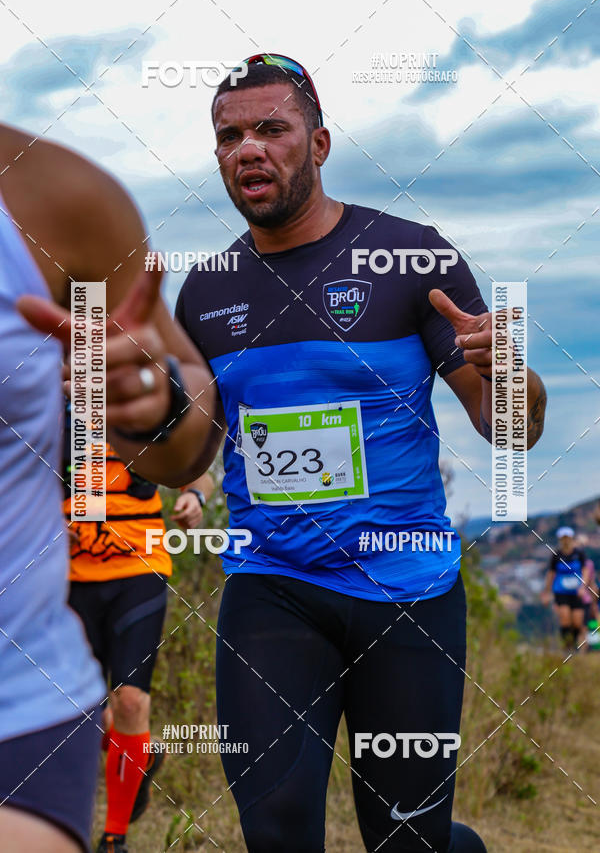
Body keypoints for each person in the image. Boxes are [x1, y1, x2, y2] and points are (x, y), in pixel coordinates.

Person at [171, 55, 548, 852]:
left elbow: (508, 428)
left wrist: (511, 370)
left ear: (320, 142)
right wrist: (138, 408)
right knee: (274, 829)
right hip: (273, 585)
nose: (249, 149)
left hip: (409, 586)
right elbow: (189, 451)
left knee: (408, 838)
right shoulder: (205, 293)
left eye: (272, 128)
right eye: (230, 135)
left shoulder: (412, 257)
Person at [3, 122, 218, 853]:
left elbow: (191, 425)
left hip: (120, 572)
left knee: (126, 700)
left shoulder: (61, 202)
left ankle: (117, 836)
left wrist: (158, 407)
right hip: (69, 565)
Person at [62, 401, 214, 853]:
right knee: (75, 709)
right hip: (68, 576)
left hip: (139, 569)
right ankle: (138, 755)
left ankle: (114, 839)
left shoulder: (148, 405)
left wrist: (195, 498)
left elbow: (197, 471)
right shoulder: (51, 408)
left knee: (129, 701)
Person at [541, 527, 589, 651]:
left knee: (577, 622)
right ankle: (568, 647)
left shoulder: (579, 553)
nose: (566, 540)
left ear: (571, 538)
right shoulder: (556, 555)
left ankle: (573, 643)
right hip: (561, 592)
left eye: (568, 538)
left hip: (577, 592)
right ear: (560, 539)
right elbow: (551, 574)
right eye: (563, 538)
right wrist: (546, 592)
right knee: (565, 619)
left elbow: (585, 570)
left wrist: (583, 586)